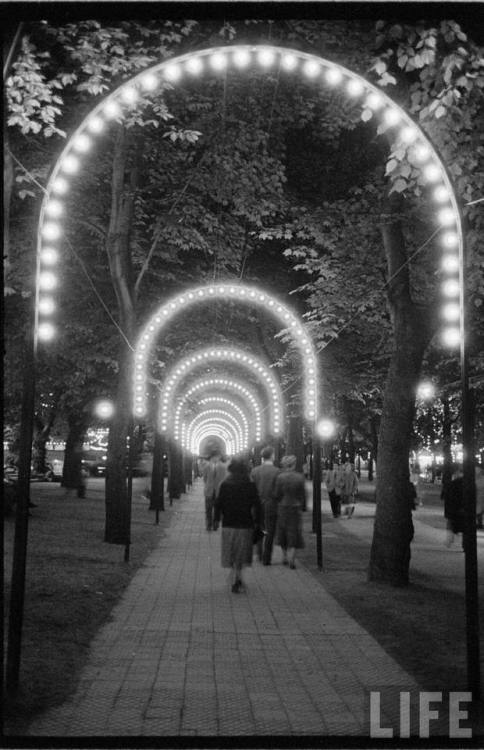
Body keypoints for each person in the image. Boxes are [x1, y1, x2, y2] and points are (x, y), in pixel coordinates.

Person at [213, 457, 261, 593]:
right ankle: (238, 575)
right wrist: (259, 522)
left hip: (229, 523)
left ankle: (235, 574)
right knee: (242, 552)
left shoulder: (225, 484)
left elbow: (218, 504)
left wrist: (216, 520)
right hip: (245, 523)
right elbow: (257, 505)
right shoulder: (250, 485)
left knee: (232, 550)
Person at [274, 455, 305, 569]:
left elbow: (277, 493)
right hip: (295, 506)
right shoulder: (299, 477)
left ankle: (284, 556)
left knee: (283, 530)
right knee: (294, 531)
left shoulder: (280, 477)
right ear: (294, 464)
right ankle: (292, 558)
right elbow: (302, 494)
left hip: (283, 506)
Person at [250, 446, 280, 565]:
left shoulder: (255, 471)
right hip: (271, 504)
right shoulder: (277, 471)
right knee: (270, 531)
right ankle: (267, 557)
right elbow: (278, 491)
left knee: (258, 527)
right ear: (272, 456)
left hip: (257, 504)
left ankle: (259, 552)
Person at [202, 449, 227, 531]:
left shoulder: (223, 467)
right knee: (208, 509)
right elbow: (204, 478)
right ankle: (209, 524)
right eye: (215, 457)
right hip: (210, 490)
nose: (216, 458)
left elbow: (205, 479)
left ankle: (215, 523)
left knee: (217, 508)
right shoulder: (207, 466)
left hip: (218, 491)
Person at [441, 466, 464, 548]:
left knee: (451, 523)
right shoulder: (467, 483)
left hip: (453, 508)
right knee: (461, 524)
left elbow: (447, 496)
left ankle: (449, 540)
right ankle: (461, 542)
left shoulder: (453, 483)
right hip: (461, 507)